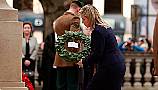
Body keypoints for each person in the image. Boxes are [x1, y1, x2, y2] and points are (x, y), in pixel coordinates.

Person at [79, 5, 126, 90]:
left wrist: (83, 61)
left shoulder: (97, 31)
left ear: (89, 18)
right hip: (117, 65)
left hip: (109, 67)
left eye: (83, 19)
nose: (82, 22)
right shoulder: (105, 27)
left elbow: (97, 54)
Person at [53, 1, 83, 90]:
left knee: (60, 85)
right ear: (78, 9)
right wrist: (77, 57)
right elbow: (74, 37)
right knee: (72, 85)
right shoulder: (75, 18)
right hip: (71, 57)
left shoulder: (59, 19)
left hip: (59, 56)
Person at [22, 22, 39, 87]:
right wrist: (24, 59)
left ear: (31, 29)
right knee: (23, 77)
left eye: (28, 28)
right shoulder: (19, 38)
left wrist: (30, 59)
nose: (27, 29)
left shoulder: (34, 39)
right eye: (25, 28)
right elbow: (18, 49)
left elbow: (36, 49)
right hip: (22, 60)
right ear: (22, 29)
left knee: (31, 78)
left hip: (31, 60)